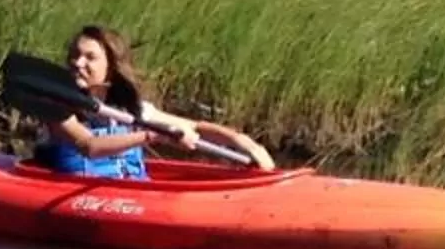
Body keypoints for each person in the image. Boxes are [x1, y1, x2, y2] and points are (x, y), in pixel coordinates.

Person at [41, 24, 273, 177]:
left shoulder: (129, 109)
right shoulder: (56, 106)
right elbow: (89, 146)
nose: (77, 63)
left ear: (110, 68)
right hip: (84, 196)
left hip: (135, 194)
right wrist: (154, 135)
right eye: (74, 55)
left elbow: (194, 127)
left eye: (89, 57)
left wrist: (244, 142)